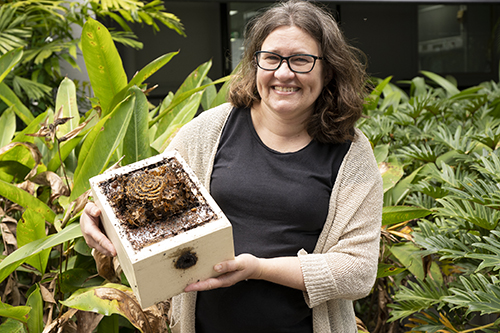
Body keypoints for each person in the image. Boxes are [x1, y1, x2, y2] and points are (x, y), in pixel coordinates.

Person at [80, 0, 383, 332]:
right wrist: (100, 216)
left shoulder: (351, 153)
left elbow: (358, 271)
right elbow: (151, 199)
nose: (283, 73)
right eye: (271, 58)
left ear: (328, 69)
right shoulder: (210, 130)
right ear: (255, 64)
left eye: (301, 60)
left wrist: (259, 268)